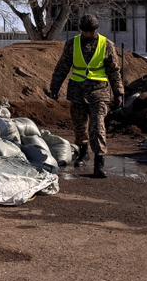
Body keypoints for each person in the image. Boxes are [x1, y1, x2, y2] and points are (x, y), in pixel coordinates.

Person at [47, 14, 124, 178]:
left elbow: (114, 71)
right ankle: (83, 153)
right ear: (81, 30)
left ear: (96, 29)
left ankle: (99, 162)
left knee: (97, 125)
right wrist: (54, 87)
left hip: (99, 91)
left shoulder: (106, 44)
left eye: (91, 31)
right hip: (77, 91)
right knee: (79, 125)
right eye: (85, 31)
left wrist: (119, 92)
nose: (88, 34)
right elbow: (62, 67)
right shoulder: (72, 44)